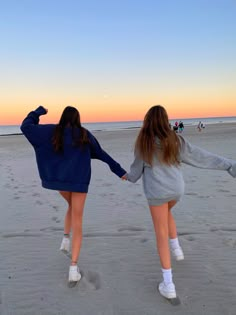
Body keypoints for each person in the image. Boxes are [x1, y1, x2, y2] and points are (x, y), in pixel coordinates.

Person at [122, 105, 236, 299]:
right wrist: (230, 165)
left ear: (147, 121)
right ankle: (177, 249)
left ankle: (168, 285)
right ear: (166, 120)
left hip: (157, 193)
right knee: (167, 213)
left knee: (160, 234)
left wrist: (126, 176)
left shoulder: (144, 143)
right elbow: (201, 157)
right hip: (177, 190)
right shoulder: (176, 140)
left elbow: (135, 173)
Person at [21, 106, 126, 283]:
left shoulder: (51, 131)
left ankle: (65, 239)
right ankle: (73, 268)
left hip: (59, 181)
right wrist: (119, 171)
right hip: (78, 182)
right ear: (77, 118)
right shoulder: (83, 134)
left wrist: (38, 112)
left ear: (63, 117)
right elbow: (101, 153)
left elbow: (26, 126)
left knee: (71, 207)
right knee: (78, 219)